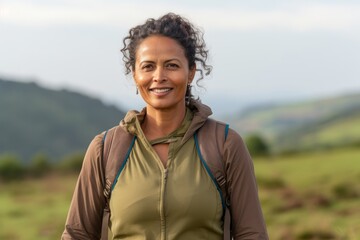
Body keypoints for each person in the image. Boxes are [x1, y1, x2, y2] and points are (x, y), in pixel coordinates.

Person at [61, 13, 268, 240]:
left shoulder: (225, 144)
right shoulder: (105, 149)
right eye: (148, 66)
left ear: (190, 72)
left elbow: (252, 234)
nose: (159, 76)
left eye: (171, 65)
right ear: (135, 74)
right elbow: (76, 234)